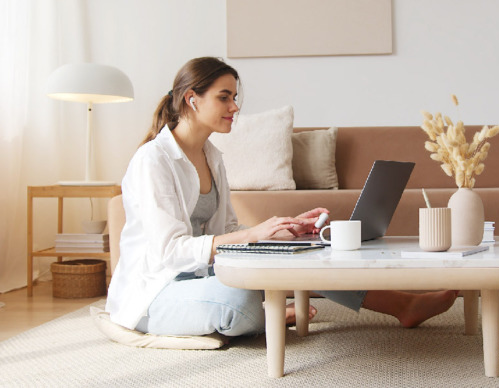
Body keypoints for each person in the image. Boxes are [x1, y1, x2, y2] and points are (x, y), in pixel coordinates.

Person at [105, 57, 457, 338]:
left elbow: (227, 229)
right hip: (156, 291)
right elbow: (170, 251)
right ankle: (263, 313)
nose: (235, 106)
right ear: (191, 99)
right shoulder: (154, 159)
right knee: (238, 298)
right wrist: (253, 235)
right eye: (224, 97)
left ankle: (403, 305)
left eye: (235, 97)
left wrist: (280, 233)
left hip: (204, 274)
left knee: (307, 255)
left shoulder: (213, 156)